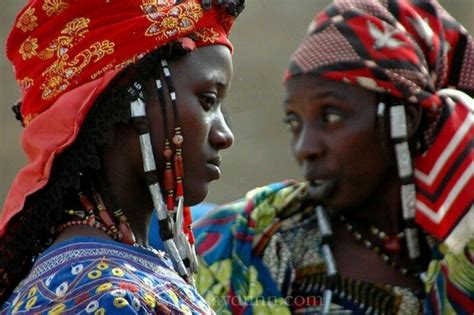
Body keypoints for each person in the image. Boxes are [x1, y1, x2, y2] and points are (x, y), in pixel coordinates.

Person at [194, 0, 473, 314]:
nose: (305, 147)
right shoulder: (249, 239)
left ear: (404, 119)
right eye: (294, 123)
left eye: (330, 117)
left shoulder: (461, 244)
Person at [0, 0, 244, 313]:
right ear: (131, 100)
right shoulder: (106, 295)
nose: (225, 135)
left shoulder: (107, 274)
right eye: (208, 101)